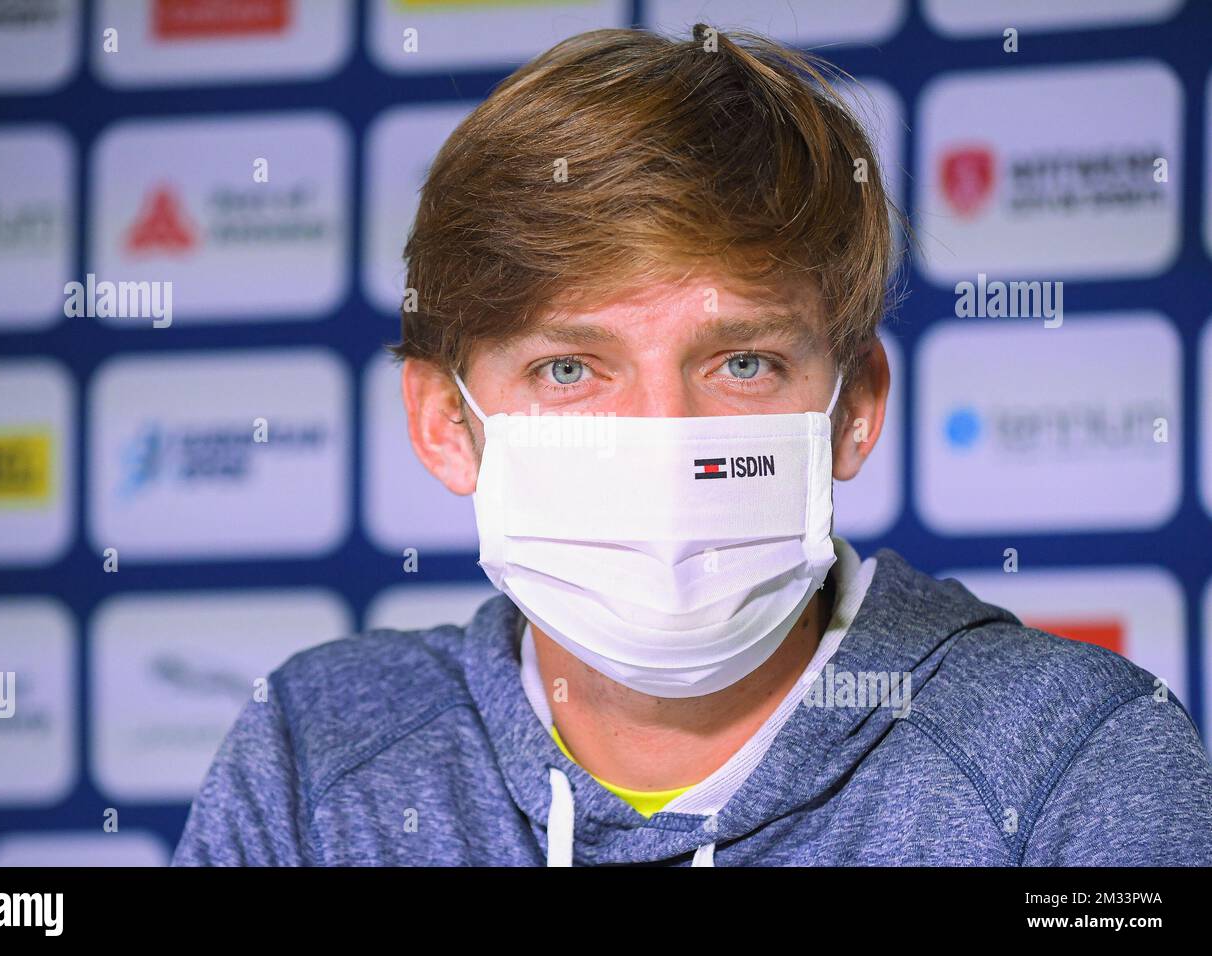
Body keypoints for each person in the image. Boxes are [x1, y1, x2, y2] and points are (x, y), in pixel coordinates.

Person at [173, 24, 1212, 866]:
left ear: (854, 408)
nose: (663, 441)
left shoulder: (1072, 765)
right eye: (570, 369)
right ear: (445, 425)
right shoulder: (316, 754)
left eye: (742, 363)